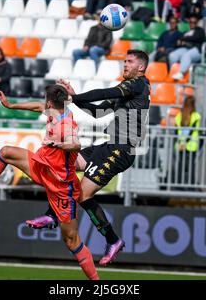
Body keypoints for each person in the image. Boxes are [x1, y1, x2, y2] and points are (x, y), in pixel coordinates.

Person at [0, 85, 100, 280]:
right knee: (6, 152)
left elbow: (76, 143)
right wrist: (10, 105)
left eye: (44, 100)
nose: (42, 104)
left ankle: (97, 283)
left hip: (61, 186)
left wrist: (61, 145)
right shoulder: (54, 110)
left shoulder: (66, 125)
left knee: (72, 241)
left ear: (49, 102)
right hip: (41, 167)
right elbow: (37, 106)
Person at [27, 50, 151, 266]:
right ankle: (53, 215)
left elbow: (105, 92)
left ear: (141, 67)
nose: (125, 65)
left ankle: (111, 239)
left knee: (82, 195)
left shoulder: (138, 85)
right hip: (109, 145)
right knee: (65, 164)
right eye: (124, 61)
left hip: (121, 150)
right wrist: (75, 99)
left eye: (130, 62)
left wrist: (72, 98)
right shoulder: (129, 94)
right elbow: (98, 112)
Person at [173, 96, 200, 188]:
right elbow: (192, 131)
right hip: (191, 145)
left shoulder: (178, 116)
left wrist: (180, 142)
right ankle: (191, 185)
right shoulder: (196, 116)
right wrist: (185, 142)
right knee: (191, 166)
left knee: (180, 165)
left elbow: (176, 132)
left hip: (180, 144)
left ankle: (178, 185)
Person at [169, 15, 205, 81]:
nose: (192, 24)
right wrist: (182, 41)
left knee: (186, 55)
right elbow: (179, 40)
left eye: (194, 22)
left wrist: (185, 39)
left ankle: (181, 73)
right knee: (172, 55)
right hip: (186, 48)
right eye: (191, 22)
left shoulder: (200, 30)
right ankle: (172, 72)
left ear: (197, 23)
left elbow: (197, 38)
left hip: (196, 49)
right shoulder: (186, 32)